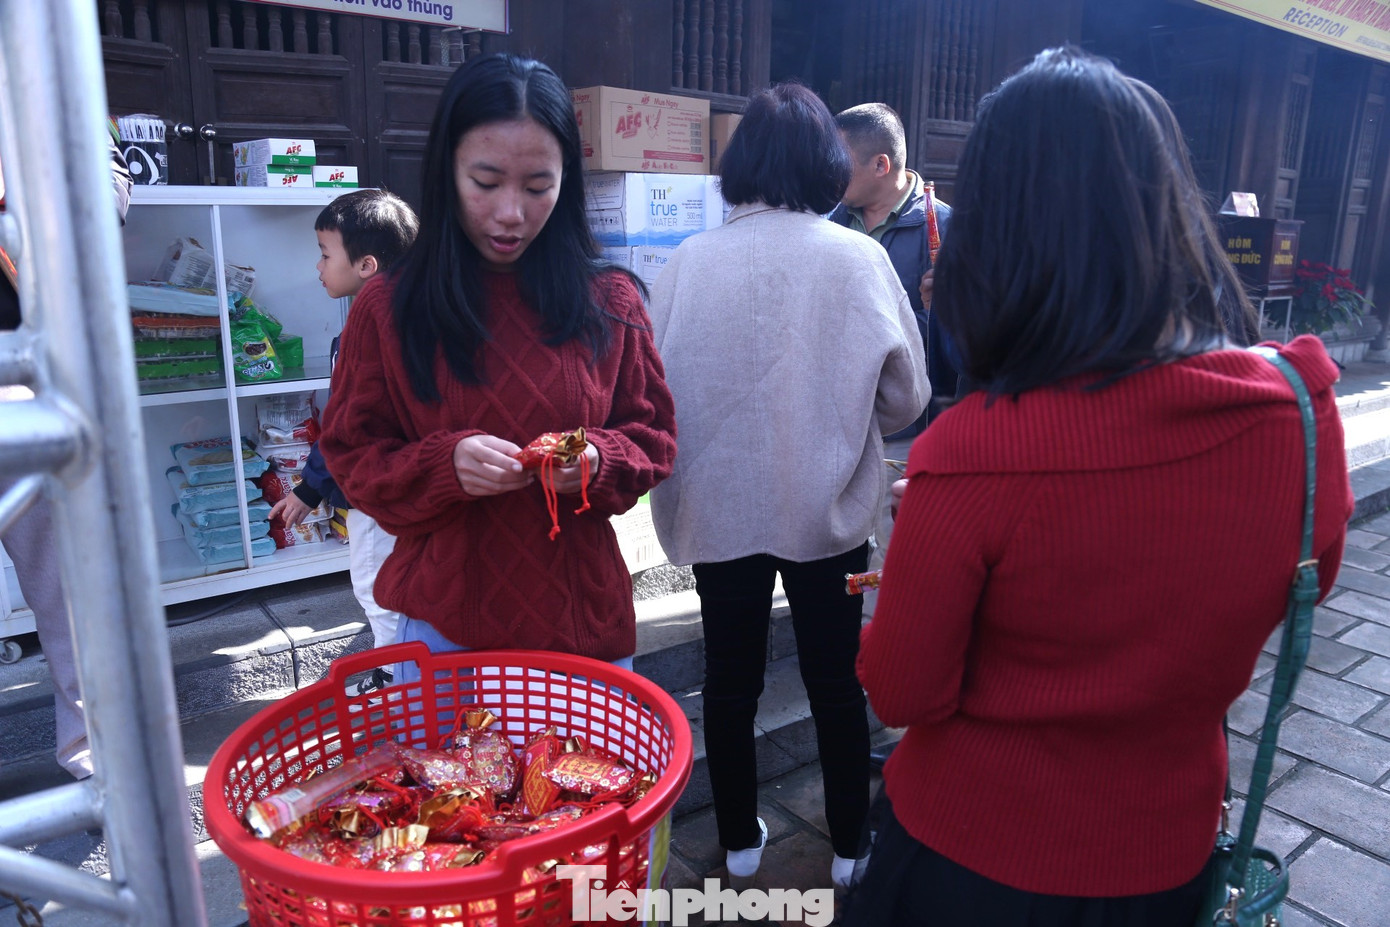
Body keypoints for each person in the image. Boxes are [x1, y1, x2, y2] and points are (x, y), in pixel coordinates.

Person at [846, 47, 1353, 926]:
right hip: (1166, 855)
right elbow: (1300, 576)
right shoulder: (1303, 419)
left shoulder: (970, 455)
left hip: (968, 857)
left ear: (995, 238)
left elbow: (903, 691)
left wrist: (919, 555)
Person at [647, 82, 928, 893]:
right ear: (822, 166)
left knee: (730, 682)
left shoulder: (686, 264)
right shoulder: (858, 257)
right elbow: (908, 396)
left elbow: (656, 394)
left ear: (738, 167)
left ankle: (737, 841)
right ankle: (847, 846)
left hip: (716, 510)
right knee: (836, 680)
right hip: (829, 510)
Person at [318, 54, 676, 683]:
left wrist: (599, 460)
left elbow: (654, 438)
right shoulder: (389, 307)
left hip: (582, 629)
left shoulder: (610, 301)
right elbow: (351, 456)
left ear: (567, 180)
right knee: (444, 785)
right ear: (446, 171)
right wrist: (440, 465)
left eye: (538, 186)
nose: (511, 212)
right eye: (485, 182)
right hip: (444, 635)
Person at [0, 132, 131, 779]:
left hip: (27, 371)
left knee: (68, 591)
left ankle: (95, 768)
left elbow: (109, 181)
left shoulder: (24, 54)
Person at [268, 188, 418, 693]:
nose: (318, 267)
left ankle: (404, 690)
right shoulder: (413, 318)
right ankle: (407, 679)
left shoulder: (369, 328)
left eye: (326, 254)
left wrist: (308, 490)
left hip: (379, 496)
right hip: (407, 489)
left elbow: (349, 424)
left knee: (380, 590)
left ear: (367, 265)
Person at [829, 103, 954, 428]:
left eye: (840, 163)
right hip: (842, 413)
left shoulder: (942, 226)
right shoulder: (832, 221)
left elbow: (946, 329)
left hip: (913, 418)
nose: (832, 173)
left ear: (881, 165)